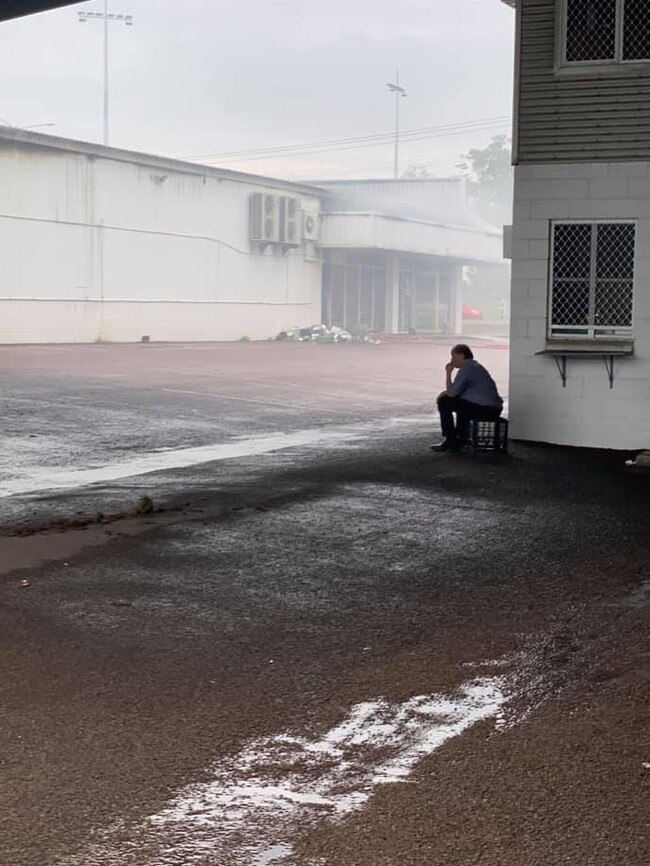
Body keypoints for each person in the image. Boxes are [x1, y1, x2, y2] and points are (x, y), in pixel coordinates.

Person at [432, 344, 503, 452]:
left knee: (444, 402)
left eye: (453, 356)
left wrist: (448, 373)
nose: (452, 360)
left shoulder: (466, 369)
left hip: (486, 409)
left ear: (461, 355)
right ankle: (462, 437)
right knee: (461, 404)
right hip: (493, 407)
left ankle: (450, 439)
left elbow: (452, 394)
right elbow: (457, 391)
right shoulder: (475, 366)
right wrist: (446, 392)